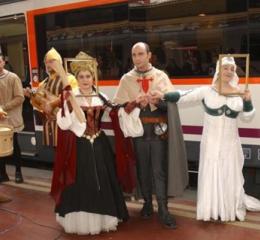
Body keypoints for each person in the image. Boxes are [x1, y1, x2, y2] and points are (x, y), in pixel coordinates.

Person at [152, 56, 260, 221]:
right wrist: (163, 95)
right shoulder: (206, 91)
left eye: (232, 69)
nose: (229, 72)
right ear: (218, 70)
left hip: (230, 145)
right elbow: (183, 96)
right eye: (225, 68)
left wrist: (247, 101)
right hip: (210, 143)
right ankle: (212, 209)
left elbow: (248, 116)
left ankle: (228, 209)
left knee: (229, 175)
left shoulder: (239, 93)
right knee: (211, 173)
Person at [50, 52, 128, 235]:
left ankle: (105, 217)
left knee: (103, 179)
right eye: (81, 76)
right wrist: (67, 104)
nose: (85, 79)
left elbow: (115, 112)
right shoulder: (70, 95)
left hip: (100, 146)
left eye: (88, 76)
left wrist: (131, 106)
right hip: (79, 147)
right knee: (80, 180)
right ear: (76, 79)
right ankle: (80, 220)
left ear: (93, 77)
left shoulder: (100, 96)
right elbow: (63, 123)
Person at [113, 42, 188, 229]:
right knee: (142, 170)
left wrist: (159, 99)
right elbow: (117, 107)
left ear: (149, 55)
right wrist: (134, 103)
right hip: (138, 133)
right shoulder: (126, 79)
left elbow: (172, 104)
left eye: (140, 54)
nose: (137, 58)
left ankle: (163, 209)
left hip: (158, 132)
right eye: (133, 55)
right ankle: (147, 203)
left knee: (159, 171)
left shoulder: (161, 76)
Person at [24, 48, 77, 147]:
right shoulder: (43, 83)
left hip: (66, 124)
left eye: (51, 61)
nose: (48, 65)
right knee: (57, 154)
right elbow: (38, 104)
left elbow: (71, 97)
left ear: (59, 62)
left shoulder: (69, 78)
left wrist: (52, 104)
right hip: (51, 124)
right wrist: (31, 96)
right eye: (46, 62)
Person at [0, 54, 24, 183]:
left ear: (4, 62)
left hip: (11, 119)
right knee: (0, 148)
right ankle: (2, 173)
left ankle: (18, 172)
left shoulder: (13, 77)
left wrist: (3, 107)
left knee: (14, 145)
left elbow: (20, 97)